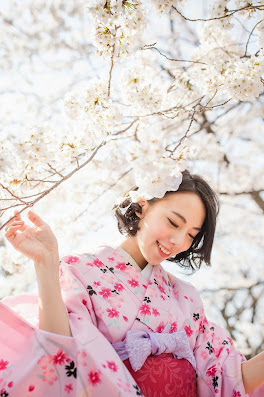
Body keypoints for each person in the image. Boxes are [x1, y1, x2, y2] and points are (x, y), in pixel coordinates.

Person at [1, 169, 264, 396]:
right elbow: (61, 352)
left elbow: (230, 380)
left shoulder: (187, 297)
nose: (179, 242)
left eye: (191, 236)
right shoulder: (78, 270)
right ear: (141, 205)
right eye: (173, 222)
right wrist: (46, 262)